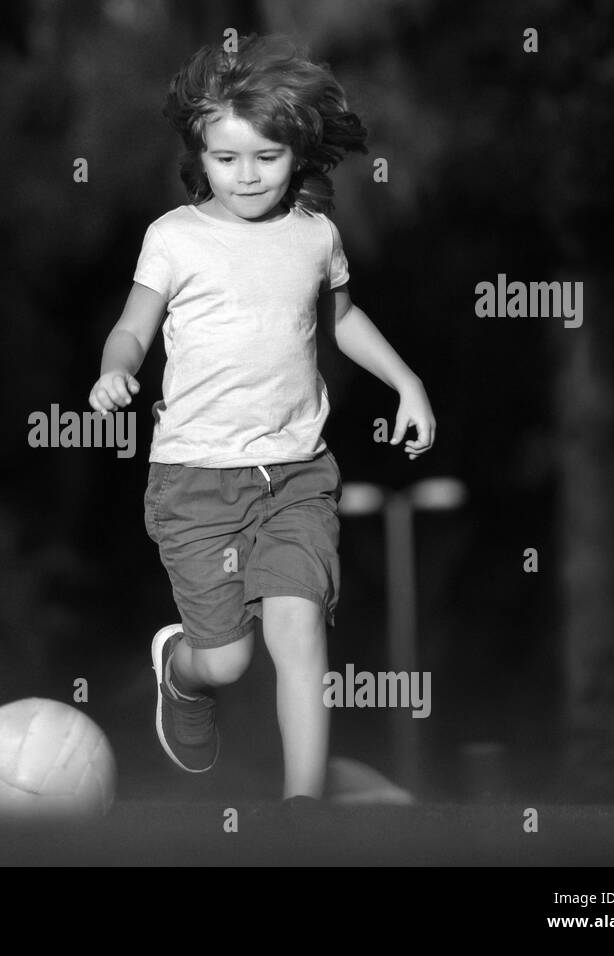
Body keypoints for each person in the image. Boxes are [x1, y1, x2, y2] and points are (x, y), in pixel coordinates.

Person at [88, 34, 436, 803]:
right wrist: (117, 369)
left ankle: (303, 806)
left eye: (266, 158)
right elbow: (133, 325)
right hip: (195, 482)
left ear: (297, 154)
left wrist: (407, 382)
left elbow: (342, 319)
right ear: (200, 155)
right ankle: (182, 671)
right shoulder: (175, 238)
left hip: (296, 478)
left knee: (299, 629)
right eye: (226, 158)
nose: (246, 176)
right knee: (228, 662)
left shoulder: (314, 237)